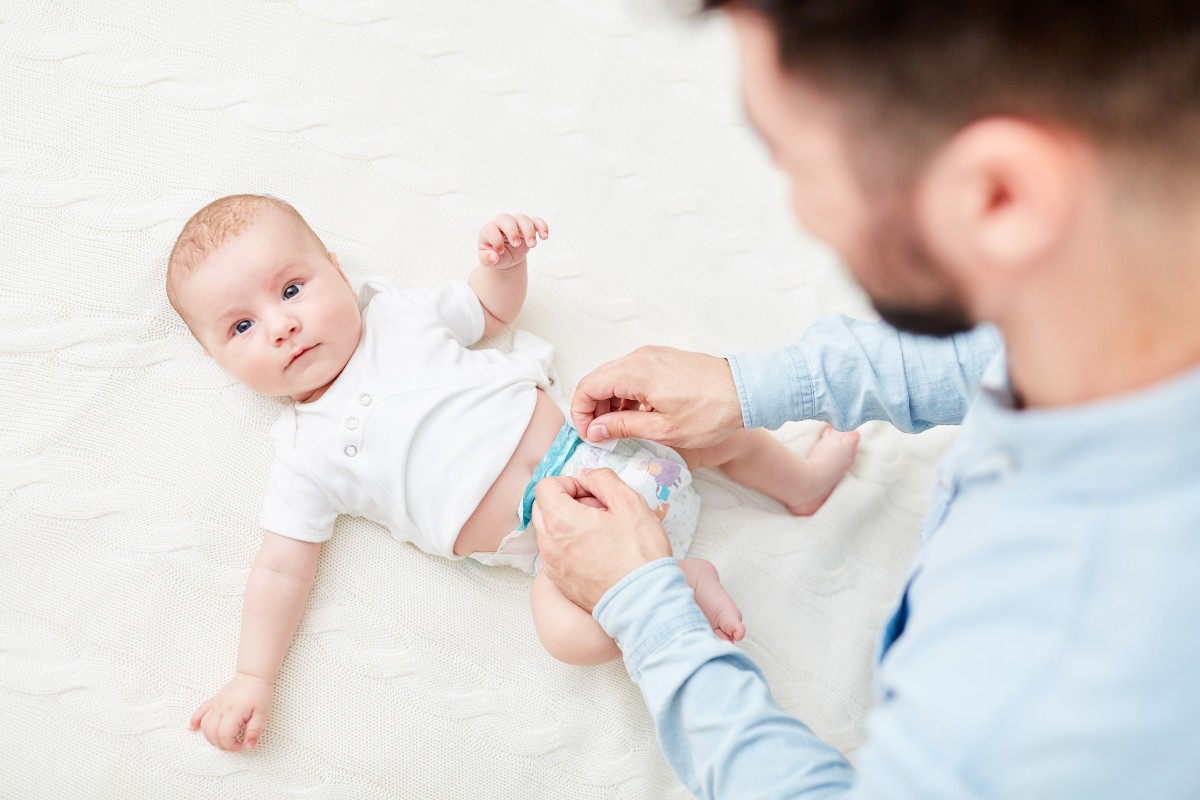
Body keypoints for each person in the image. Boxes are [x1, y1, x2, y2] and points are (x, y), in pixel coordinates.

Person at [531, 1, 1200, 797]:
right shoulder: (1130, 281)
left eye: (794, 162)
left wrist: (647, 610)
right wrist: (750, 386)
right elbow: (999, 347)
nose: (802, 211)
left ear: (996, 198)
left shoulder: (1037, 692)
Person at [170, 194, 861, 752]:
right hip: (558, 555)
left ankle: (801, 484)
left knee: (708, 427)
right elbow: (281, 571)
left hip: (607, 450)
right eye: (241, 327)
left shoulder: (399, 316)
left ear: (335, 269)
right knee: (564, 636)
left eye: (292, 289)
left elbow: (490, 309)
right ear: (215, 358)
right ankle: (680, 582)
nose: (281, 326)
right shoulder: (303, 455)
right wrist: (253, 675)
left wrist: (505, 262)